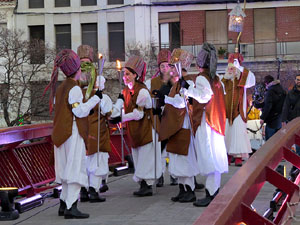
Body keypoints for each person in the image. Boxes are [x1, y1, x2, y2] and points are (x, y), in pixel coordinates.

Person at [44, 49, 102, 219]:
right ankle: (71, 206)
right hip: (72, 132)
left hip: (60, 135)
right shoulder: (74, 89)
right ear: (78, 70)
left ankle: (63, 204)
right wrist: (96, 98)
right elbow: (79, 112)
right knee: (75, 169)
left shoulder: (61, 87)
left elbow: (66, 110)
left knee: (64, 170)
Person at [179, 43, 228, 207]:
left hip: (207, 122)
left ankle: (211, 193)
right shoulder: (216, 78)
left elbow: (204, 96)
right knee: (214, 158)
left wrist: (188, 88)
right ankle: (213, 191)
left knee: (209, 157)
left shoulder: (202, 78)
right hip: (217, 123)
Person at [111, 56, 162, 197]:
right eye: (124, 74)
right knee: (138, 157)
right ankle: (142, 183)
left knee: (146, 158)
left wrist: (120, 118)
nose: (125, 77)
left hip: (146, 129)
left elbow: (139, 114)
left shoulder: (143, 92)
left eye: (128, 74)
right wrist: (114, 114)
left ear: (135, 75)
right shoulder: (125, 92)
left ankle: (147, 185)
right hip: (134, 130)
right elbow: (123, 108)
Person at [159, 49, 200, 203]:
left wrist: (165, 100)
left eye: (172, 67)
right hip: (175, 125)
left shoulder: (187, 82)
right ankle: (182, 189)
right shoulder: (175, 84)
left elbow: (181, 102)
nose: (169, 70)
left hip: (184, 125)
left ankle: (190, 190)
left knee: (185, 158)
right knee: (176, 158)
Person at [76, 45, 107, 203]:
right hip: (80, 128)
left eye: (88, 62)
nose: (85, 65)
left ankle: (93, 189)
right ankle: (83, 189)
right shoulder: (73, 87)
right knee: (82, 160)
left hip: (96, 127)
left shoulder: (97, 84)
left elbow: (106, 107)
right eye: (82, 62)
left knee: (96, 160)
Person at [145, 49, 177, 187]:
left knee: (173, 148)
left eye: (168, 66)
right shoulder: (151, 82)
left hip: (173, 117)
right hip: (158, 117)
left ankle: (175, 174)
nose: (165, 69)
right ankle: (160, 175)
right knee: (160, 149)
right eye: (162, 66)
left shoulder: (176, 80)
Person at [221, 53, 256, 166]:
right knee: (227, 133)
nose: (233, 67)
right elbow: (220, 87)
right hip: (226, 110)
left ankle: (238, 157)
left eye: (235, 63)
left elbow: (251, 81)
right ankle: (228, 155)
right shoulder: (225, 77)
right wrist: (226, 76)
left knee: (239, 132)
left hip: (239, 109)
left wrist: (239, 71)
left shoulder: (244, 75)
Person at [260, 75, 286, 141]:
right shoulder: (281, 89)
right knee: (278, 142)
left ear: (266, 83)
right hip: (280, 120)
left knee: (269, 142)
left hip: (271, 121)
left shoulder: (270, 91)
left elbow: (268, 106)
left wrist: (263, 117)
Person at [282, 74, 300, 156]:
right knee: (298, 141)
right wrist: (283, 120)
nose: (299, 81)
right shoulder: (290, 93)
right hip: (294, 120)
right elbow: (286, 106)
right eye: (297, 79)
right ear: (295, 81)